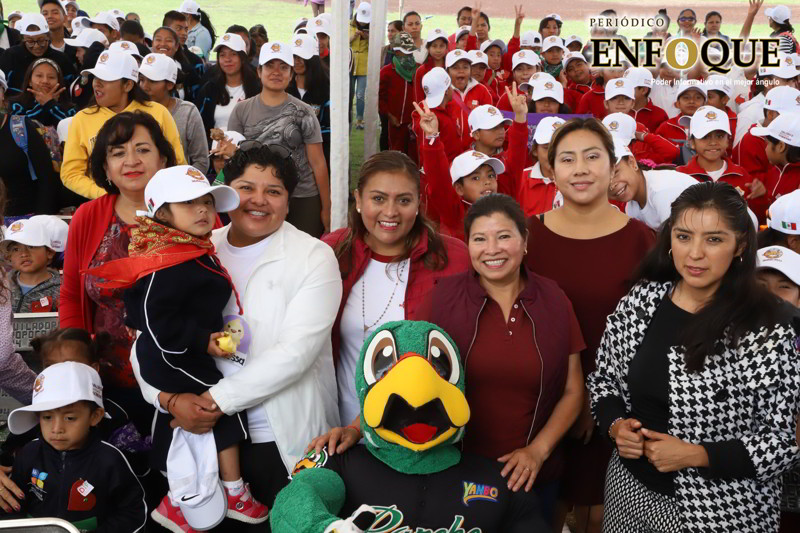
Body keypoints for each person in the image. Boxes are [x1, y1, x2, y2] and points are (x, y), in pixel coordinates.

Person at [132, 143, 342, 515]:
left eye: (273, 191)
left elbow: (296, 353)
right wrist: (168, 400)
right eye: (246, 188)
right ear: (225, 195)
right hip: (200, 430)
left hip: (277, 437)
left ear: (289, 202)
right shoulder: (193, 247)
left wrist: (215, 402)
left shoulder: (313, 256)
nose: (258, 201)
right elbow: (147, 337)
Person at [588, 181, 800, 531]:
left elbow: (783, 441)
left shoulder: (769, 326)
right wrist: (615, 425)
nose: (695, 253)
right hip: (628, 492)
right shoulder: (644, 299)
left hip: (723, 511)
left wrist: (698, 454)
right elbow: (604, 379)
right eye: (684, 236)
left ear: (740, 246)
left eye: (714, 239)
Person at [85, 165, 269, 528]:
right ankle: (233, 491)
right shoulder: (164, 261)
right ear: (162, 214)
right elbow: (153, 320)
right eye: (188, 204)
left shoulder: (190, 249)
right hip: (169, 355)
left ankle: (175, 502)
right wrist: (202, 341)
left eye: (206, 202)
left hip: (182, 351)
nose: (202, 210)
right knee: (221, 403)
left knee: (188, 420)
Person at [524, 117, 656, 533]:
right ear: (550, 170)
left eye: (592, 156)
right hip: (538, 407)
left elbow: (653, 337)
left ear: (614, 166)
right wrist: (567, 399)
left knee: (600, 514)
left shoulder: (643, 242)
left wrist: (601, 406)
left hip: (621, 411)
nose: (580, 168)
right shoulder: (527, 236)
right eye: (567, 159)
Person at [322, 150, 469, 430]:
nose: (390, 212)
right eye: (378, 198)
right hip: (341, 426)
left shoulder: (455, 258)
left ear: (418, 203)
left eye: (403, 200)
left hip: (421, 428)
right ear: (357, 200)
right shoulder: (330, 251)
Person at [60, 111, 177, 436]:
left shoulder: (191, 212)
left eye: (142, 149)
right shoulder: (88, 217)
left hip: (179, 381)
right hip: (107, 383)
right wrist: (76, 364)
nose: (131, 161)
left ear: (163, 158)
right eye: (118, 152)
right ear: (106, 167)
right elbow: (71, 295)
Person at [5, 362, 147, 531]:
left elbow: (132, 512)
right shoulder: (28, 453)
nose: (57, 429)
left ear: (95, 416)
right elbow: (10, 503)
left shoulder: (110, 459)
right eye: (47, 417)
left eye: (70, 418)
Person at [227, 42, 330, 236]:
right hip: (259, 196)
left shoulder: (304, 112)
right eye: (270, 66)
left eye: (283, 67)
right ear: (259, 71)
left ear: (291, 74)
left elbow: (318, 162)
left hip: (302, 195)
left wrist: (326, 207)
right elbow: (234, 160)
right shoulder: (242, 110)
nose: (276, 72)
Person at [60, 49, 186, 200]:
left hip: (155, 201)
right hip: (105, 204)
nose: (97, 84)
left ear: (127, 85)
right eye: (96, 77)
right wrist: (107, 195)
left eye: (106, 78)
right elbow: (71, 173)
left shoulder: (158, 112)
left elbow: (177, 163)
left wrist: (153, 195)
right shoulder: (82, 119)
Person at [417, 86, 528, 240]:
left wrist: (520, 117)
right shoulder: (454, 213)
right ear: (458, 188)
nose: (487, 182)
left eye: (490, 175)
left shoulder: (504, 193)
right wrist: (432, 138)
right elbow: (438, 182)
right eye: (475, 178)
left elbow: (517, 158)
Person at [0, 69, 61, 215]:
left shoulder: (21, 127)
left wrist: (40, 221)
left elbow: (46, 179)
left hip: (23, 223)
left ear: (3, 94)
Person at [139, 53, 209, 173]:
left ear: (170, 84)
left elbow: (201, 160)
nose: (145, 86)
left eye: (152, 81)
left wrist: (182, 183)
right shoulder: (133, 111)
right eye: (141, 80)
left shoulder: (187, 112)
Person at [608, 136, 700, 229]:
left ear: (632, 163)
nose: (611, 185)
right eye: (603, 180)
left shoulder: (663, 190)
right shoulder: (632, 207)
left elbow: (680, 240)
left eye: (615, 173)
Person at [196, 32, 260, 146]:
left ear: (243, 57)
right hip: (217, 155)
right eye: (222, 55)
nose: (227, 59)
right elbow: (200, 125)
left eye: (233, 54)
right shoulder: (209, 89)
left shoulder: (257, 88)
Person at [677, 106, 754, 196]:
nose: (713, 142)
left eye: (719, 136)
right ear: (692, 142)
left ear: (727, 141)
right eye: (705, 137)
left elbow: (752, 208)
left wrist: (761, 197)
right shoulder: (681, 176)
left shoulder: (741, 175)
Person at [0, 13, 76, 96]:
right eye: (30, 41)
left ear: (48, 37)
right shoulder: (11, 55)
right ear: (23, 39)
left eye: (41, 41)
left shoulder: (61, 59)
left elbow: (71, 89)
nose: (36, 46)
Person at [3, 215, 67, 314]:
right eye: (16, 249)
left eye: (31, 246)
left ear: (49, 252)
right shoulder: (3, 284)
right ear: (9, 257)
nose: (24, 254)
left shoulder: (63, 289)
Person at [289, 34, 331, 169]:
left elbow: (328, 132)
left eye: (302, 57)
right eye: (294, 56)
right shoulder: (283, 87)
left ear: (313, 59)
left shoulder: (326, 89)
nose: (297, 61)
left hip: (317, 158)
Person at [379, 33, 417, 159]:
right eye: (404, 51)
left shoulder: (417, 69)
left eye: (409, 51)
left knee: (413, 156)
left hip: (414, 124)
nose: (407, 55)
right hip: (396, 124)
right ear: (396, 52)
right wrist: (390, 116)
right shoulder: (387, 72)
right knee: (396, 156)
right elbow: (380, 98)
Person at [518, 116, 565, 216]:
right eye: (547, 148)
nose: (554, 154)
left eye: (562, 147)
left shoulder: (585, 180)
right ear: (535, 150)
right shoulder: (519, 180)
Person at [9, 58, 74, 127]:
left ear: (59, 82)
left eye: (51, 77)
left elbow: (70, 128)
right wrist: (43, 104)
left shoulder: (70, 108)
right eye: (39, 76)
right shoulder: (16, 104)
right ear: (29, 81)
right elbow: (20, 129)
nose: (45, 81)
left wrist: (50, 104)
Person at [751, 112, 800, 203]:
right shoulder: (774, 171)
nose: (765, 149)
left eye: (767, 144)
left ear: (781, 146)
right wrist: (764, 195)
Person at [624, 67, 669, 135]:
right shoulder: (617, 109)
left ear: (644, 90)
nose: (624, 92)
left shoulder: (660, 115)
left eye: (629, 88)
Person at [350, 2, 370, 129]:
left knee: (360, 94)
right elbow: (343, 41)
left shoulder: (372, 28)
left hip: (364, 64)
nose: (362, 24)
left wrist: (367, 37)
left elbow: (375, 45)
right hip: (350, 63)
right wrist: (354, 35)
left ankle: (359, 119)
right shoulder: (349, 25)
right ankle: (348, 117)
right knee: (350, 93)